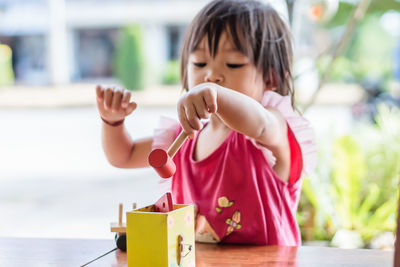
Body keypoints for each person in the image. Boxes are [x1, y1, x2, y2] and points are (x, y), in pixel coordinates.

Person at [96, 0, 316, 246]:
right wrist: (112, 122)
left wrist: (216, 94)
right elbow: (123, 156)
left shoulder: (272, 127)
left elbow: (261, 124)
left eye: (233, 64)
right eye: (199, 63)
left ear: (272, 76)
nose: (211, 74)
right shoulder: (180, 138)